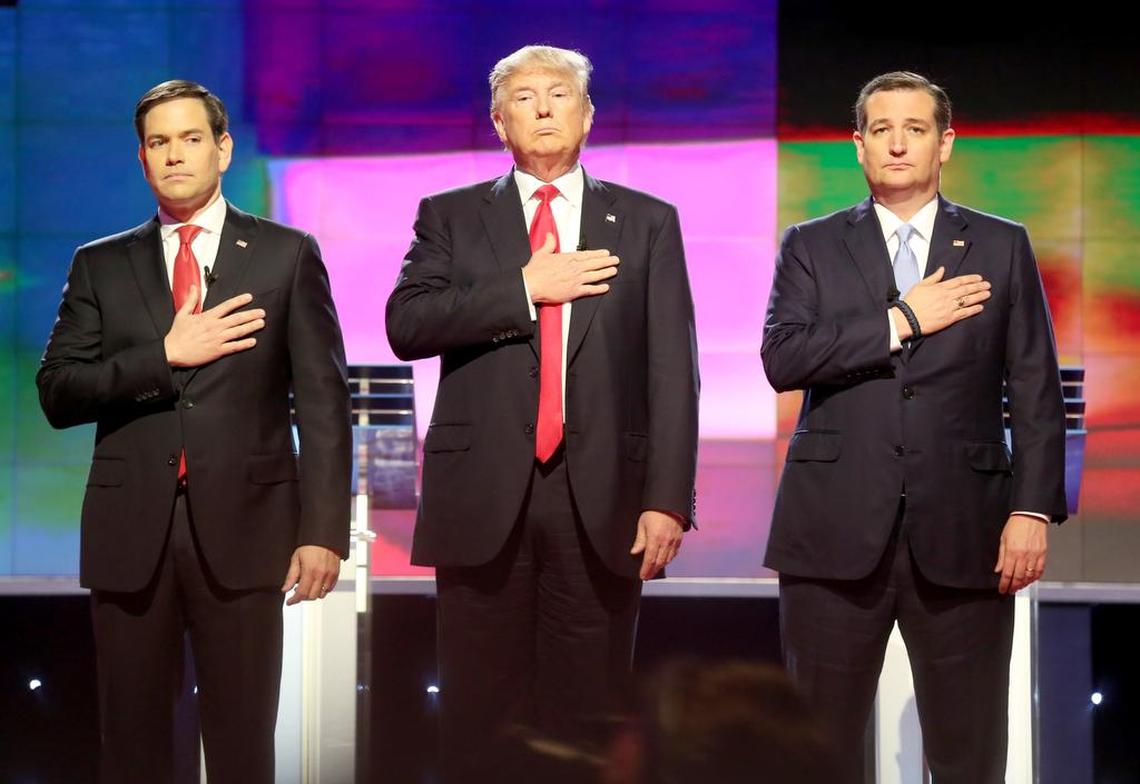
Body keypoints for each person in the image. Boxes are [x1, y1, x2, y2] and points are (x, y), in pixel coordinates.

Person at [385, 44, 699, 782]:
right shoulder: (452, 217)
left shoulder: (648, 220)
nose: (545, 107)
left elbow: (672, 371)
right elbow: (408, 325)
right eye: (524, 97)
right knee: (477, 713)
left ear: (588, 114)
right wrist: (525, 286)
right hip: (483, 494)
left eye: (560, 94)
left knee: (588, 714)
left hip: (604, 498)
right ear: (498, 121)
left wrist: (667, 500)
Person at [37, 80, 351, 784]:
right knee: (133, 745)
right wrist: (164, 357)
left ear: (223, 147)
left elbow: (324, 403)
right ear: (142, 159)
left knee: (243, 746)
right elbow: (58, 392)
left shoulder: (286, 254)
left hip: (248, 529)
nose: (175, 155)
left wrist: (322, 529)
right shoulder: (101, 263)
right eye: (158, 143)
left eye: (190, 138)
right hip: (130, 534)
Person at [761, 71, 1067, 783]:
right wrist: (902, 321)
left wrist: (1032, 508)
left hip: (969, 532)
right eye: (881, 129)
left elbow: (1034, 387)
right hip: (831, 533)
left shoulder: (1000, 244)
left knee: (969, 751)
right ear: (859, 146)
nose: (898, 143)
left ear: (945, 143)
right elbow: (785, 357)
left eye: (916, 129)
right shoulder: (809, 243)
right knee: (812, 750)